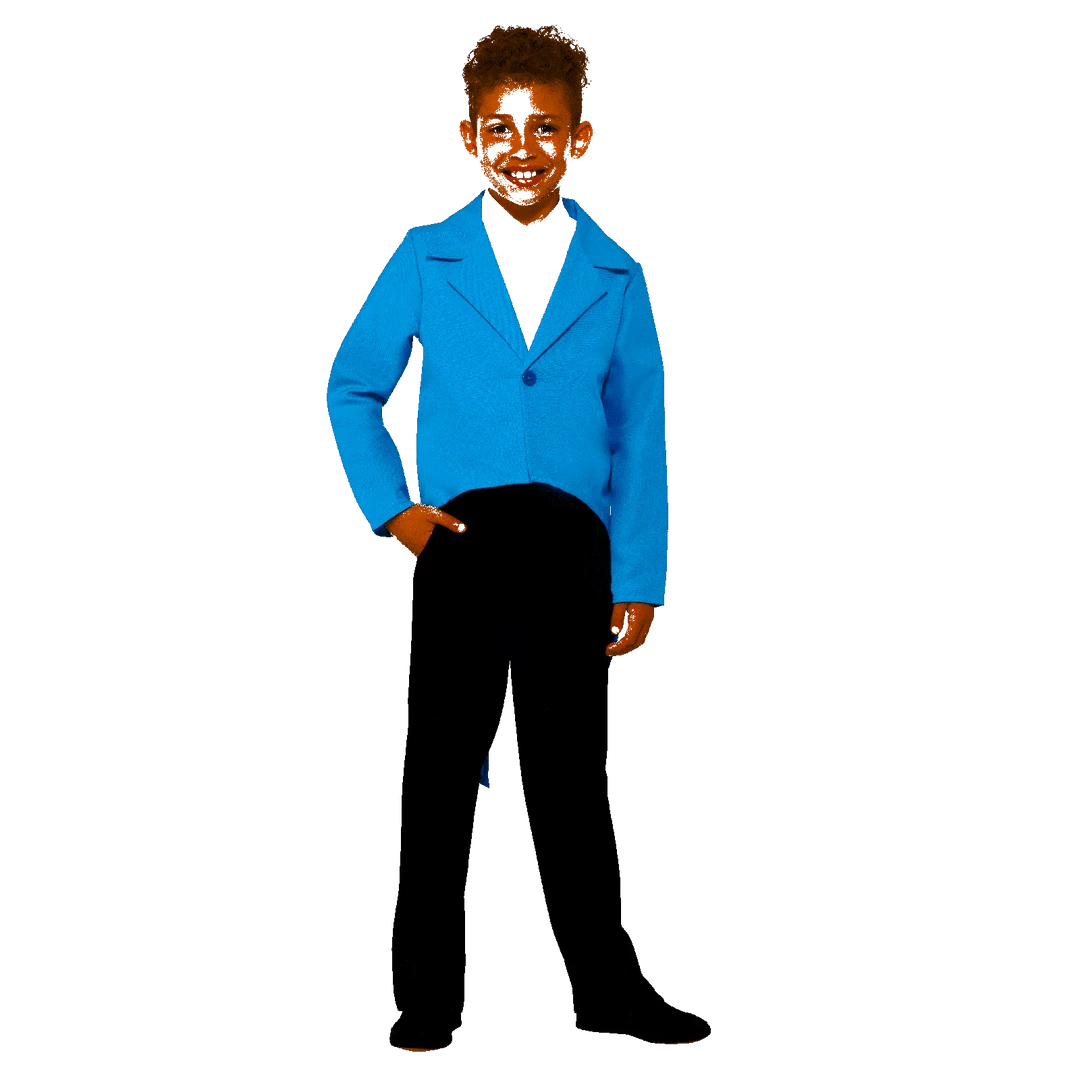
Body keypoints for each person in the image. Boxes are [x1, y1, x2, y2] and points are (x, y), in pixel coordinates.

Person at [325, 22, 708, 1052]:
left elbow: (641, 432)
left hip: (573, 551)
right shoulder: (426, 253)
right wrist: (398, 511)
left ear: (582, 139)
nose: (523, 146)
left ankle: (609, 991)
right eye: (503, 126)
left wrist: (641, 574)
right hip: (462, 542)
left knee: (570, 774)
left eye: (545, 128)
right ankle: (423, 1002)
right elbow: (355, 385)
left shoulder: (618, 274)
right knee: (440, 771)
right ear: (468, 137)